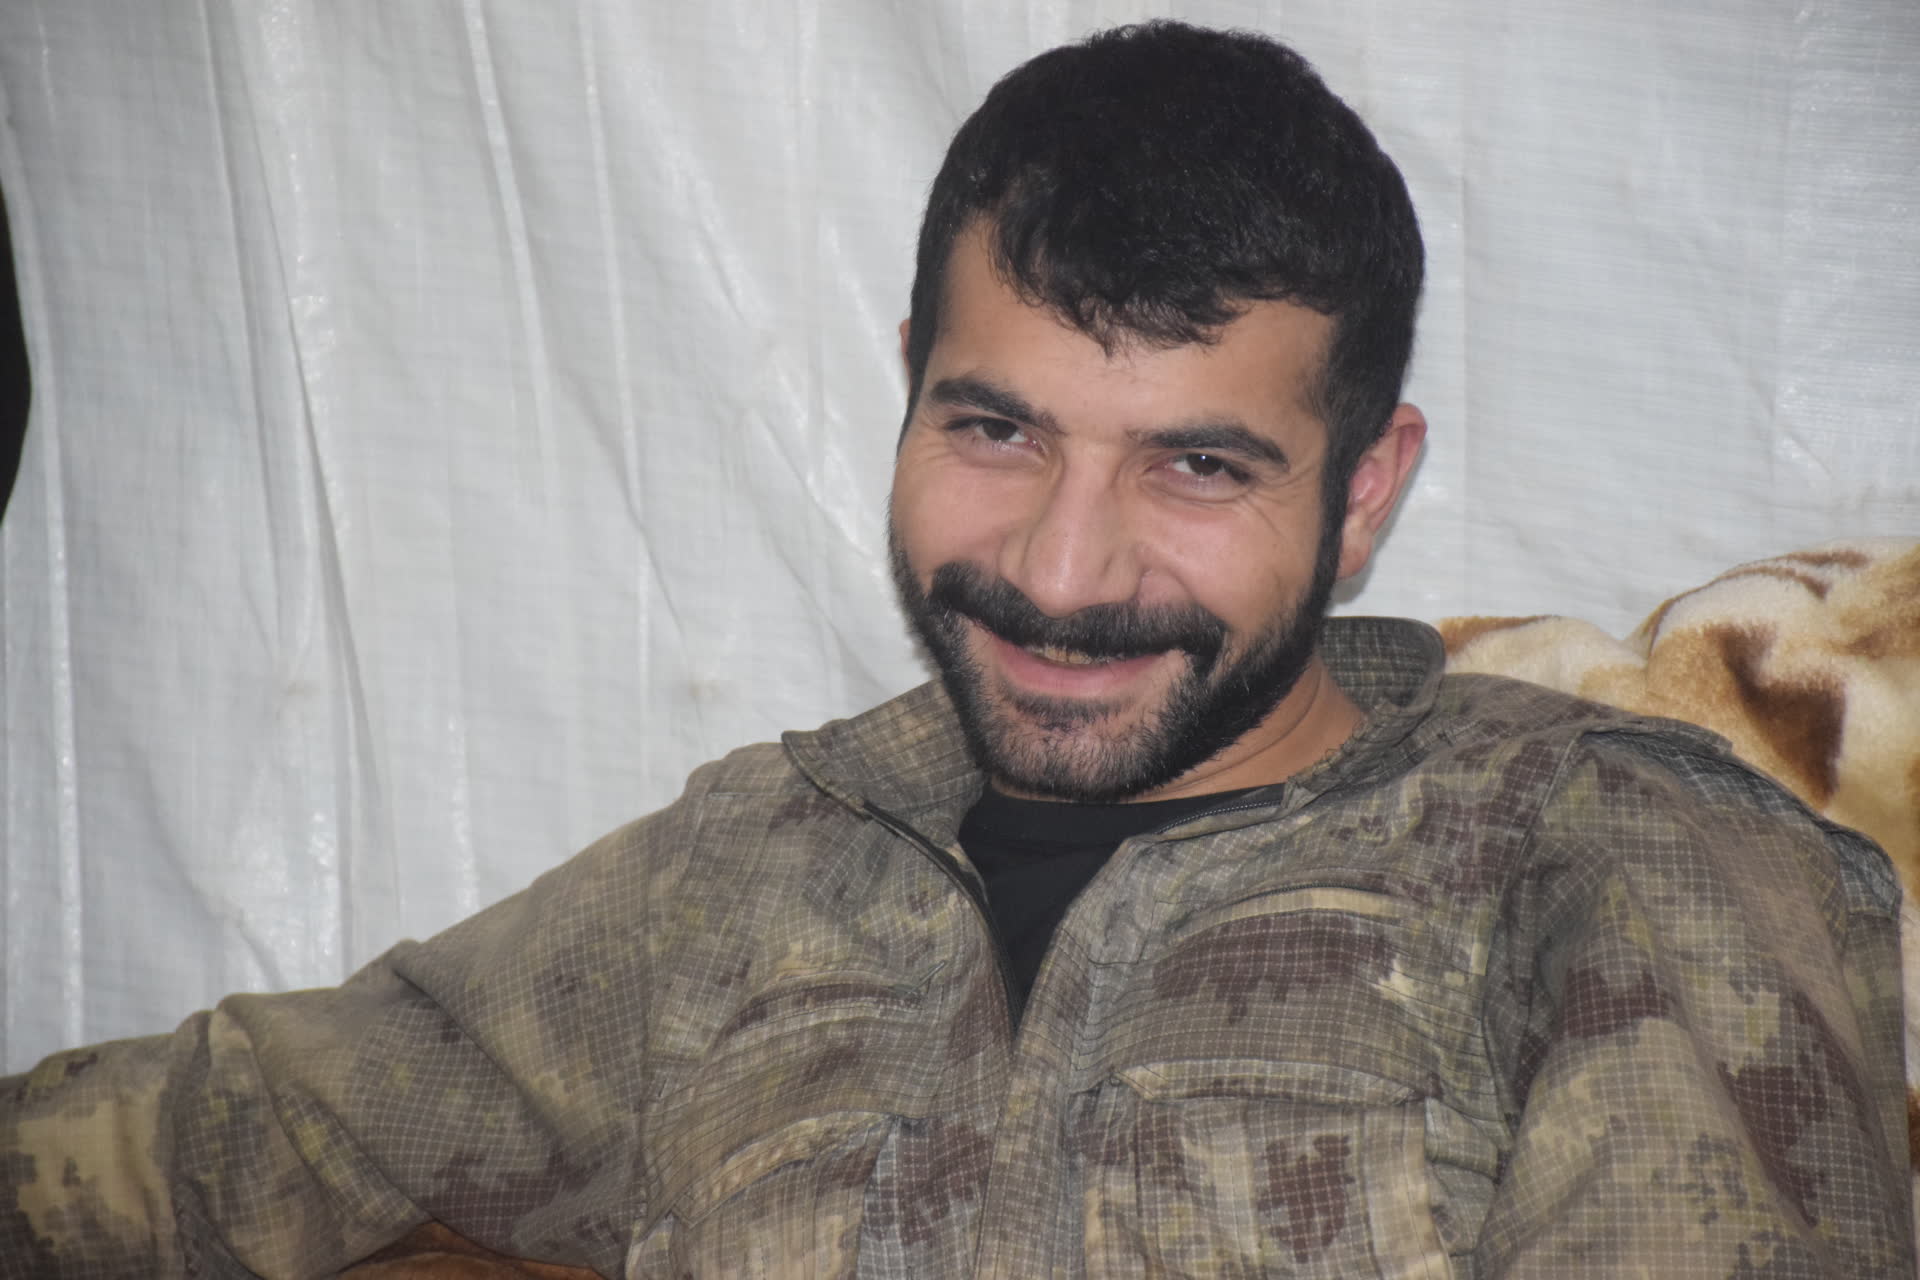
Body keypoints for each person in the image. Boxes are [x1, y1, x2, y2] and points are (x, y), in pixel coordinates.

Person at [2, 19, 1909, 1278]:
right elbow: (207, 1146)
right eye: (995, 429)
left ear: (1363, 491)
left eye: (1196, 465)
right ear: (911, 388)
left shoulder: (1605, 855)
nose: (1060, 574)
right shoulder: (749, 872)